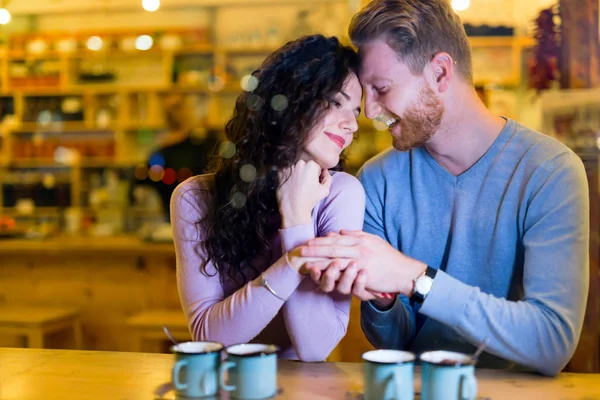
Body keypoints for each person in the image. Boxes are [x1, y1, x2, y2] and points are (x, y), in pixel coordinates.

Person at [300, 0, 589, 376]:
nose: (369, 112)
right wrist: (384, 296)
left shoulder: (550, 172)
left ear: (439, 73)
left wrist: (415, 279)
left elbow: (552, 343)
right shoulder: (377, 180)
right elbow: (395, 343)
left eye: (381, 88)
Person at [170, 34, 365, 361]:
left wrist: (298, 220)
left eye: (356, 111)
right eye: (335, 102)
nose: (352, 125)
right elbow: (208, 336)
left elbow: (316, 348)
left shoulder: (341, 194)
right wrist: (292, 262)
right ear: (289, 98)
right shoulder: (195, 198)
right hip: (224, 385)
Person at [133, 93, 219, 221]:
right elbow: (142, 179)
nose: (174, 113)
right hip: (171, 218)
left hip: (203, 218)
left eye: (177, 107)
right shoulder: (161, 151)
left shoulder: (202, 145)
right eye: (170, 109)